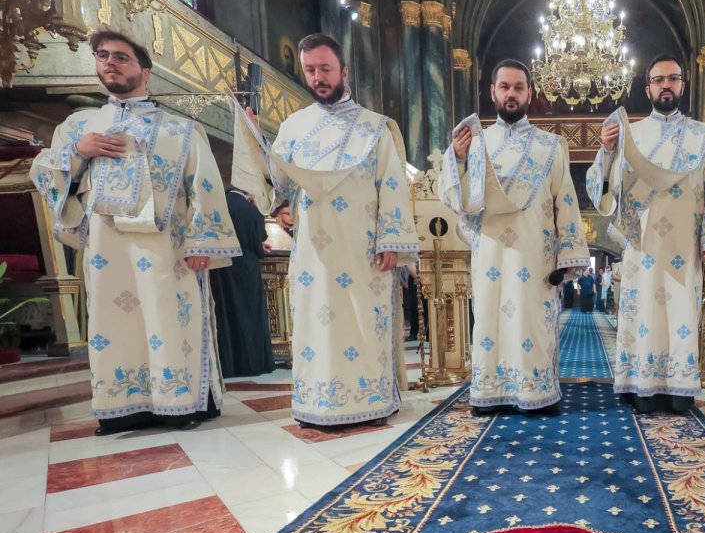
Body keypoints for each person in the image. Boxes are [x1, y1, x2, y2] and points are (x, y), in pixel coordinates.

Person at [30, 29, 239, 436]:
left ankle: (178, 403)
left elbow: (205, 187)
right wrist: (78, 153)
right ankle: (121, 408)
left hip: (167, 250)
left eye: (121, 57)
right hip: (106, 250)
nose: (110, 62)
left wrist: (202, 242)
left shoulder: (181, 130)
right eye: (103, 55)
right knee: (113, 325)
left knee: (168, 321)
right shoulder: (77, 127)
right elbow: (45, 176)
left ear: (145, 72)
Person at [233, 32, 419, 429]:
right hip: (313, 254)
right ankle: (319, 403)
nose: (318, 77)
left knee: (363, 322)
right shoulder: (294, 127)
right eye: (311, 70)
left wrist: (391, 240)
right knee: (317, 325)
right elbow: (277, 184)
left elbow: (391, 186)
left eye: (325, 69)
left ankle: (370, 402)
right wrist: (254, 139)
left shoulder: (375, 128)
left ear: (344, 72)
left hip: (363, 248)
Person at [440, 59, 589, 416]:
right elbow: (458, 201)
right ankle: (491, 392)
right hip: (490, 253)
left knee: (531, 322)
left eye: (518, 87)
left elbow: (566, 202)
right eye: (504, 87)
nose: (511, 93)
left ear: (529, 93)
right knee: (489, 320)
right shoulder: (473, 146)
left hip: (535, 256)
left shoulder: (551, 146)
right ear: (492, 92)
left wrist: (567, 259)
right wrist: (457, 159)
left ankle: (536, 392)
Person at [587, 54, 705, 413]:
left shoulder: (702, 135)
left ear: (683, 84)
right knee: (644, 316)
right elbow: (608, 192)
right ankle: (641, 387)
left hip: (685, 243)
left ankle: (678, 390)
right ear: (648, 88)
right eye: (658, 80)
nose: (666, 85)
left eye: (672, 78)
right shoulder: (631, 136)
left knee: (681, 314)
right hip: (643, 245)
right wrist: (606, 152)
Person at [212, 187, 275, 377]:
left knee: (225, 314)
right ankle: (252, 363)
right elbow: (259, 236)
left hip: (221, 266)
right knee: (249, 313)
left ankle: (229, 365)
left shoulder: (216, 203)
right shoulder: (250, 208)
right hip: (246, 267)